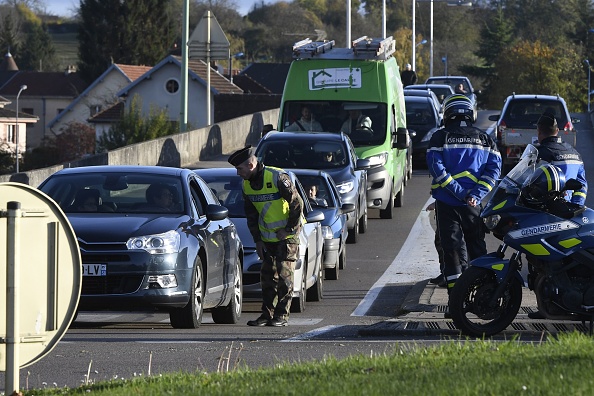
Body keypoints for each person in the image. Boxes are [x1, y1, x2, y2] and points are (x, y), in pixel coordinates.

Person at [426, 94, 501, 317]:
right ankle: (481, 298)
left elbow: (436, 168)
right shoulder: (485, 139)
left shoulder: (440, 137)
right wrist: (475, 195)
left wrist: (457, 192)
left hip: (447, 204)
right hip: (474, 205)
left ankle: (456, 304)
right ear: (471, 115)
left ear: (448, 114)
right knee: (477, 249)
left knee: (452, 254)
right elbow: (494, 170)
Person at [228, 145, 304, 327]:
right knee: (268, 279)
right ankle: (267, 315)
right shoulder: (247, 185)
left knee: (285, 279)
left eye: (240, 169)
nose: (238, 173)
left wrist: (288, 229)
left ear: (251, 165)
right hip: (267, 239)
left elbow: (297, 203)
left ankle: (281, 316)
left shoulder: (277, 177)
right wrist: (258, 241)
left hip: (287, 237)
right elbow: (251, 215)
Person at [526, 111, 588, 319]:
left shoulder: (541, 153)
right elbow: (582, 184)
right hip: (570, 212)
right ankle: (554, 306)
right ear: (558, 131)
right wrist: (575, 205)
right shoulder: (573, 152)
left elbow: (530, 182)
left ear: (539, 132)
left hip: (548, 211)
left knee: (539, 260)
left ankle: (545, 307)